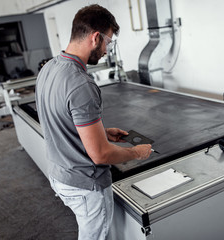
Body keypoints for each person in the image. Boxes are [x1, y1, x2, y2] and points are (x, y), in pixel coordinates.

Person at [35, 4, 152, 240]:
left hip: (59, 175)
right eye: (108, 42)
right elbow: (100, 155)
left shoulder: (49, 68)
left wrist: (101, 132)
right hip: (85, 187)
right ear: (95, 37)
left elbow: (58, 119)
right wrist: (137, 152)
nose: (107, 50)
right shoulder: (81, 84)